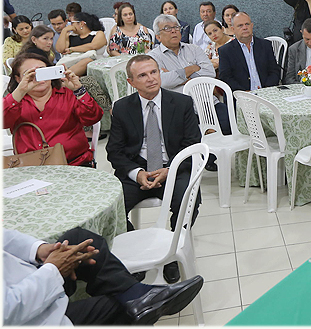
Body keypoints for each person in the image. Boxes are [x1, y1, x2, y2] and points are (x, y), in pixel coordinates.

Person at [106, 55, 203, 284]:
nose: (151, 79)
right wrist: (136, 173)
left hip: (173, 168)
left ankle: (171, 252)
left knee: (188, 200)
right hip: (137, 169)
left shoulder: (181, 103)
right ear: (131, 82)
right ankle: (134, 251)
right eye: (142, 75)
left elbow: (193, 145)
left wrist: (169, 170)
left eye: (154, 72)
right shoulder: (121, 108)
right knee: (112, 208)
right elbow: (115, 151)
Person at [3, 227, 204, 325]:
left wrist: (39, 249)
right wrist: (53, 269)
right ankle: (136, 300)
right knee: (119, 307)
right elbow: (8, 311)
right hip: (29, 317)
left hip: (27, 279)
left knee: (78, 239)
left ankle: (138, 296)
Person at [148, 14, 228, 170]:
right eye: (168, 28)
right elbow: (163, 81)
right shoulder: (153, 57)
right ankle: (193, 161)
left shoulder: (194, 49)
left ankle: (208, 157)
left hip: (207, 102)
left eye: (176, 27)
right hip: (179, 108)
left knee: (229, 121)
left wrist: (178, 75)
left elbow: (209, 73)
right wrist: (192, 69)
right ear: (158, 36)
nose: (174, 31)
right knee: (187, 134)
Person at [3, 53, 103, 166]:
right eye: (30, 74)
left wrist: (78, 90)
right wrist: (20, 91)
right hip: (30, 168)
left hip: (74, 164)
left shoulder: (67, 94)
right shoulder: (15, 101)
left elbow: (93, 118)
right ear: (18, 78)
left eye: (42, 72)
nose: (37, 78)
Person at [218, 12, 281, 92]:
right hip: (240, 96)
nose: (245, 28)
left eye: (247, 24)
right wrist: (244, 93)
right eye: (240, 25)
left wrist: (266, 90)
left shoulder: (265, 45)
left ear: (252, 26)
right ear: (233, 29)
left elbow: (274, 71)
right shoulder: (225, 51)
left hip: (266, 93)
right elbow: (226, 77)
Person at [54, 12, 107, 77]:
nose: (70, 25)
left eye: (72, 23)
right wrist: (64, 31)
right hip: (70, 63)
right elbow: (60, 49)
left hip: (91, 64)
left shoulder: (97, 34)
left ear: (81, 23)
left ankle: (62, 78)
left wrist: (72, 49)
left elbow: (93, 46)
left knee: (87, 61)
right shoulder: (70, 35)